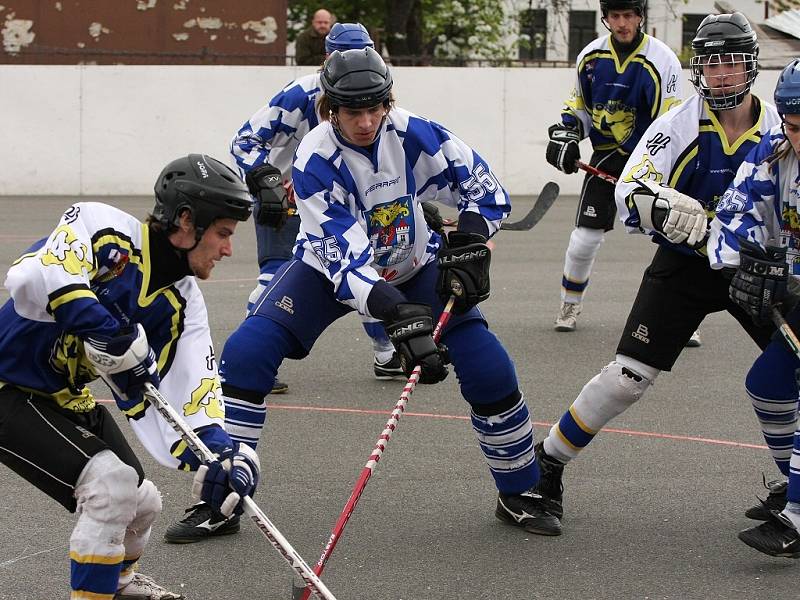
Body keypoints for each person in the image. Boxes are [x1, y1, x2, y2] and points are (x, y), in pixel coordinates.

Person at [221, 46, 562, 539]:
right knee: (247, 353)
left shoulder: (414, 132)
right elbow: (343, 253)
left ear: (387, 102)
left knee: (487, 363)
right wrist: (396, 314)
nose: (364, 122)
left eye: (373, 108)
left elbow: (484, 189)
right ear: (330, 109)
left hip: (413, 264)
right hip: (328, 272)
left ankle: (520, 491)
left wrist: (467, 242)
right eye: (351, 112)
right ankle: (223, 493)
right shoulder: (314, 158)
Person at [533, 12, 783, 531]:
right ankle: (548, 462)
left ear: (750, 68)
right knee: (626, 380)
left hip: (758, 269)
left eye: (732, 63)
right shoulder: (678, 124)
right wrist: (663, 207)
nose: (721, 75)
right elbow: (631, 188)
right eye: (711, 64)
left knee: (789, 375)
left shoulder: (780, 127)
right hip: (686, 267)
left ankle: (795, 487)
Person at [0, 154, 261, 598]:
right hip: (7, 387)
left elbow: (195, 393)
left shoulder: (185, 305)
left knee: (142, 503)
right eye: (222, 234)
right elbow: (45, 273)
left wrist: (223, 456)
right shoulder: (102, 226)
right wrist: (109, 332)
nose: (228, 250)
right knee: (111, 489)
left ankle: (117, 585)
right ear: (185, 221)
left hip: (63, 394)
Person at [230, 22, 404, 400]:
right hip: (286, 199)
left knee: (361, 270)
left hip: (341, 202)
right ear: (326, 58)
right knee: (276, 274)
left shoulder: (374, 88)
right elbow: (245, 140)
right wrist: (271, 179)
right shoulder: (298, 94)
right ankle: (251, 359)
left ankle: (387, 354)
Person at [546, 0, 686, 337]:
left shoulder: (663, 60)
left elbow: (669, 122)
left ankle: (685, 313)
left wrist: (645, 166)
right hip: (606, 160)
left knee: (675, 241)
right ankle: (569, 303)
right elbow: (579, 108)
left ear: (640, 16)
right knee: (583, 240)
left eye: (628, 16)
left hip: (652, 161)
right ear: (606, 18)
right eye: (615, 16)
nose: (622, 23)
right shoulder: (591, 57)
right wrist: (566, 135)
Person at [707, 58, 800, 557]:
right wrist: (740, 262)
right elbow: (735, 209)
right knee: (766, 383)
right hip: (797, 294)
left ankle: (798, 519)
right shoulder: (776, 148)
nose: (797, 138)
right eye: (792, 126)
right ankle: (794, 484)